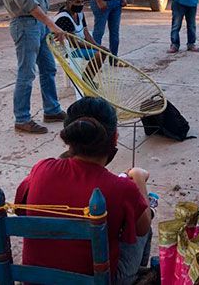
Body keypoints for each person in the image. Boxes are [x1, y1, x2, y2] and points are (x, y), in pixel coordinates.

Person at [15, 97, 152, 284]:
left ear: (69, 137)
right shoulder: (121, 188)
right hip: (98, 280)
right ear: (115, 138)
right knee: (143, 220)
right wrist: (138, 178)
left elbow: (20, 210)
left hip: (36, 279)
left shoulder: (41, 169)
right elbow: (142, 228)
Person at [0, 0, 66, 134]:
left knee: (48, 67)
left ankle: (51, 109)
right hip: (25, 23)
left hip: (41, 21)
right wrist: (51, 23)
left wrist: (48, 21)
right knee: (26, 72)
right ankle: (22, 118)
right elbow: (25, 0)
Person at [54, 0, 108, 85]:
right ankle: (86, 81)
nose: (81, 4)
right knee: (98, 54)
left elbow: (86, 32)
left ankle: (88, 78)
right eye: (77, 2)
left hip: (78, 46)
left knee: (103, 52)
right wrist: (95, 48)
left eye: (83, 2)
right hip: (67, 49)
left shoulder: (79, 14)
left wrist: (97, 45)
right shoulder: (63, 17)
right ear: (69, 2)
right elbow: (72, 42)